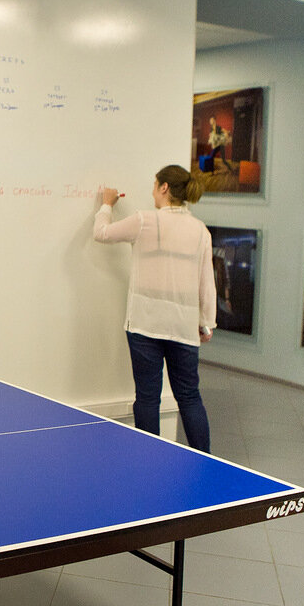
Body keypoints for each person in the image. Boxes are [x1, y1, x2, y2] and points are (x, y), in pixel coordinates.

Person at [92, 165, 215, 453]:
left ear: (164, 188)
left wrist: (106, 204)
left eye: (154, 185)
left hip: (145, 325)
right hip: (183, 327)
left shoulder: (144, 220)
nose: (152, 191)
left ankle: (150, 461)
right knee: (189, 397)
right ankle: (208, 461)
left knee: (147, 398)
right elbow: (206, 281)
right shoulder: (200, 230)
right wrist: (206, 322)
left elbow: (101, 233)